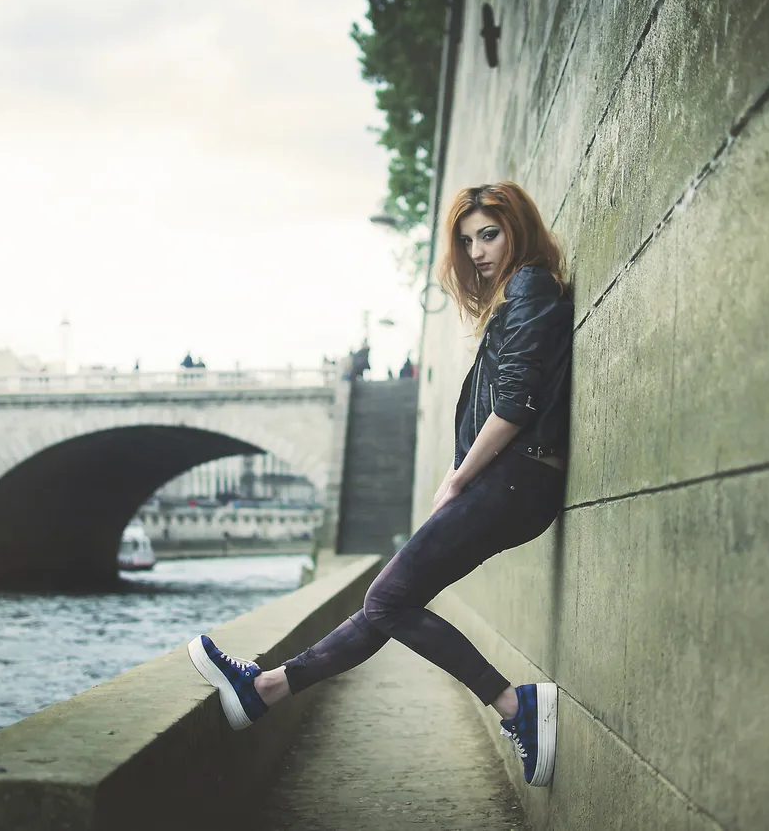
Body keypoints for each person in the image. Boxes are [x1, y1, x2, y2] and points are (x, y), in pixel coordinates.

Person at [187, 181, 573, 788]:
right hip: (513, 483)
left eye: (489, 234)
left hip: (514, 479)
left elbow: (517, 402)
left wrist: (457, 478)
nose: (476, 252)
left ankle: (514, 706)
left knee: (388, 600)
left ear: (518, 228)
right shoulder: (524, 292)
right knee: (388, 604)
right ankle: (263, 690)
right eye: (467, 240)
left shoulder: (530, 286)